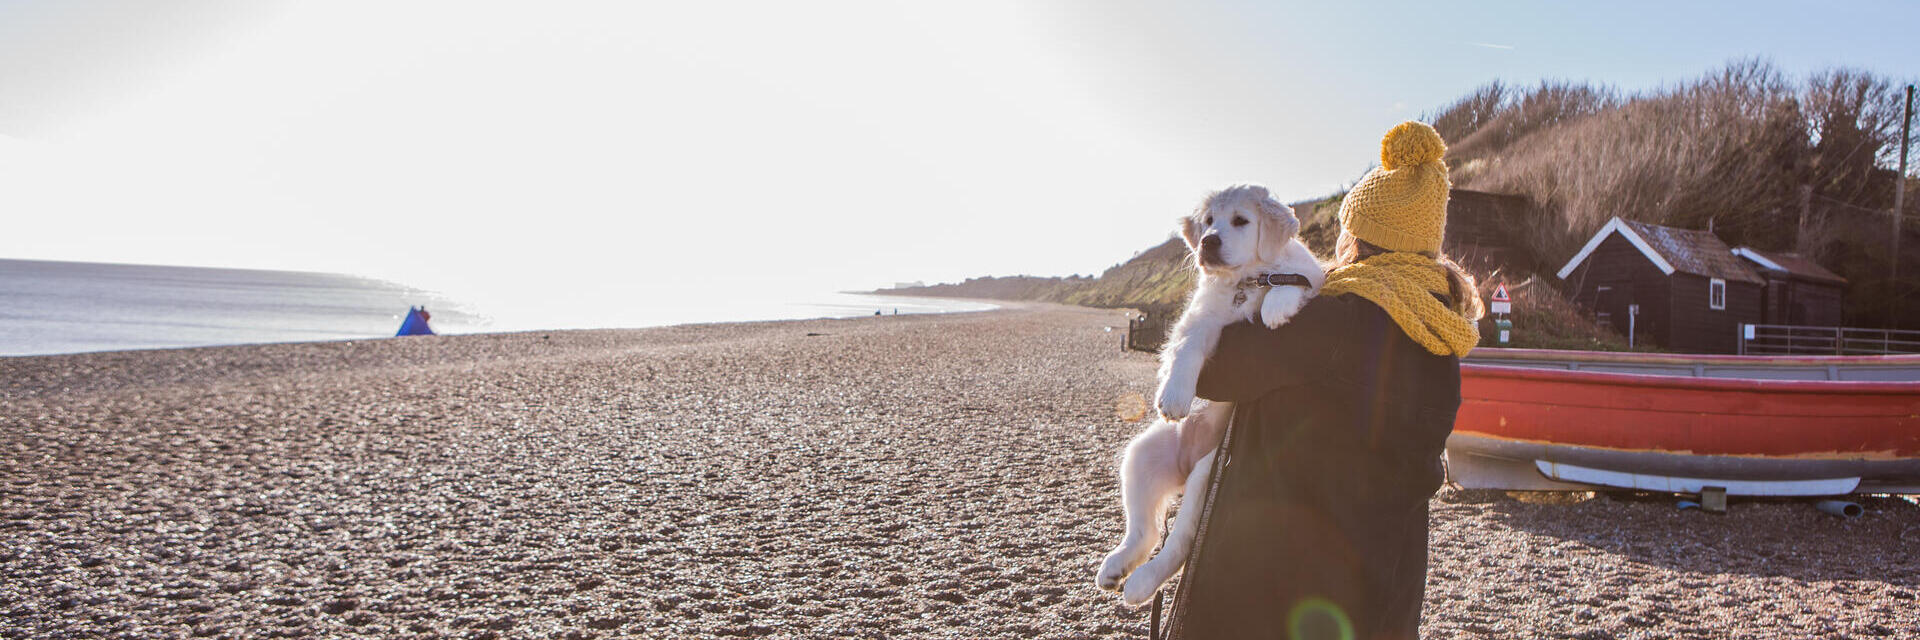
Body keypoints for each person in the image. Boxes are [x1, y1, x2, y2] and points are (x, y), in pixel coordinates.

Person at [1159, 121, 1483, 640]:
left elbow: (1217, 373)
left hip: (1287, 589)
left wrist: (1230, 287)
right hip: (1385, 594)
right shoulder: (1443, 337)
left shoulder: (1336, 319)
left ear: (1357, 238)